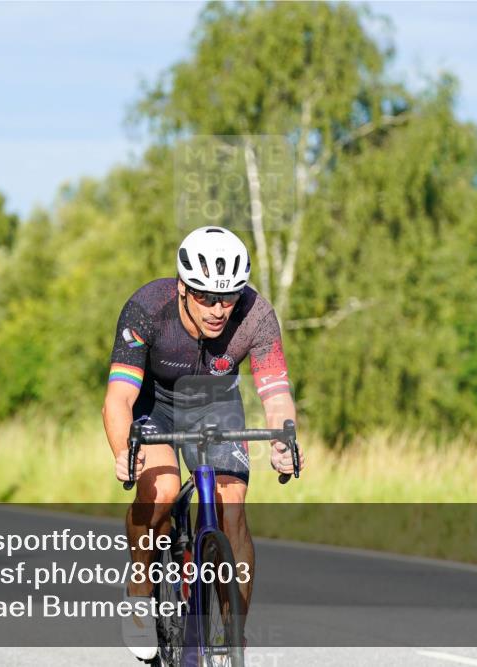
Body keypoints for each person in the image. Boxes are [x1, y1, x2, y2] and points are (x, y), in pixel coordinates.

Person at [102, 225, 305, 660]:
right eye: (205, 297)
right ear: (181, 288)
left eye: (228, 297)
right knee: (163, 493)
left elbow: (276, 394)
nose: (218, 309)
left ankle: (232, 636)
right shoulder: (147, 309)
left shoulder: (257, 315)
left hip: (215, 402)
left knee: (232, 510)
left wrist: (284, 440)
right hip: (156, 404)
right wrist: (124, 451)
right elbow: (119, 397)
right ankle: (141, 582)